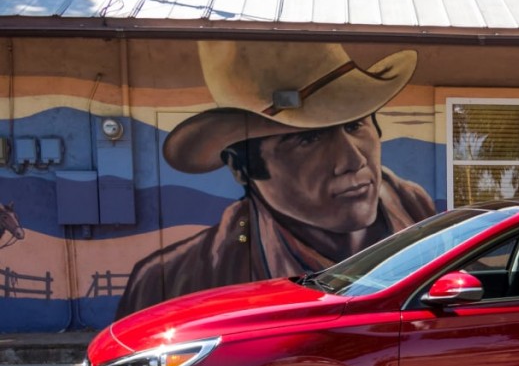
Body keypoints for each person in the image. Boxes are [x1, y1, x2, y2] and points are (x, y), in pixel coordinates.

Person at [116, 40, 434, 318]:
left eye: (355, 126)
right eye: (308, 140)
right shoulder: (170, 283)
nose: (352, 161)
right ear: (241, 168)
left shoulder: (419, 214)